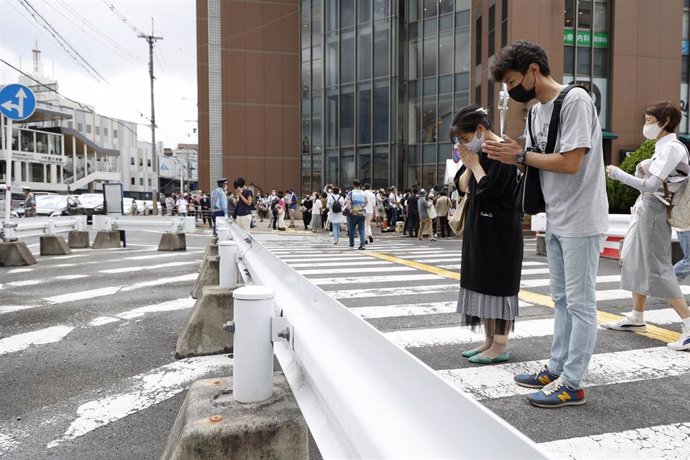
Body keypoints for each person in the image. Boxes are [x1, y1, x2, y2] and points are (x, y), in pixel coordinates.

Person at [484, 40, 608, 408]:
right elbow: (538, 161)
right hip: (554, 216)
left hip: (582, 218)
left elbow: (571, 162)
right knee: (561, 299)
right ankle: (556, 368)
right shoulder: (537, 111)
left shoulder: (576, 101)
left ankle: (573, 382)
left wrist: (521, 154)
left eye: (512, 80)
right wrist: (513, 156)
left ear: (534, 70)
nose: (511, 89)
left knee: (581, 303)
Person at [605, 101, 690, 351]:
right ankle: (636, 316)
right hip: (645, 208)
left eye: (649, 121)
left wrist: (619, 175)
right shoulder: (661, 147)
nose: (645, 125)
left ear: (664, 122)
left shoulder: (673, 148)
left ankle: (688, 322)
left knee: (657, 266)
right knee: (633, 259)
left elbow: (652, 185)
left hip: (654, 209)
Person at [451, 105, 523, 365]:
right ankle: (490, 340)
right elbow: (462, 186)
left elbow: (490, 190)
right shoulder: (480, 153)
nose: (464, 144)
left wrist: (475, 164)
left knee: (498, 285)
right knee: (483, 284)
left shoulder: (504, 150)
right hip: (479, 229)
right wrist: (470, 165)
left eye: (466, 138)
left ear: (480, 130)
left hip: (500, 231)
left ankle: (500, 345)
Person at [345, 179, 368, 249]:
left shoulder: (351, 193)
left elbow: (347, 202)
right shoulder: (364, 193)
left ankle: (351, 244)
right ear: (360, 185)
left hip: (353, 213)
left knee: (351, 229)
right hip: (362, 213)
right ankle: (362, 244)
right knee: (361, 229)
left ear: (353, 185)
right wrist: (361, 207)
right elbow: (366, 202)